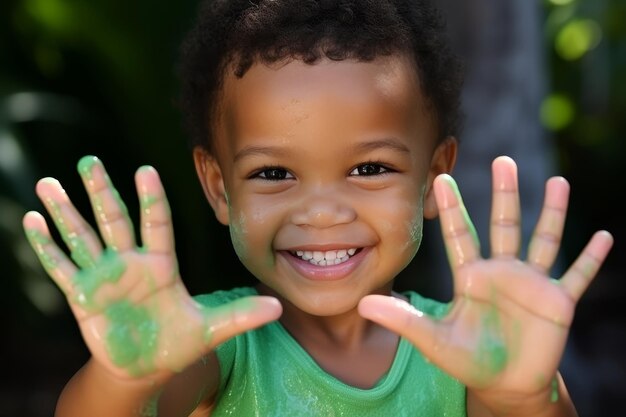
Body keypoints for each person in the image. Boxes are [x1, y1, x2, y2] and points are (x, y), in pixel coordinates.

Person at [22, 0, 613, 416]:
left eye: (369, 168)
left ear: (435, 174)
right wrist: (126, 378)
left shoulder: (467, 350)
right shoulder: (215, 346)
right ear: (219, 188)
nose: (324, 212)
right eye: (274, 173)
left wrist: (524, 399)